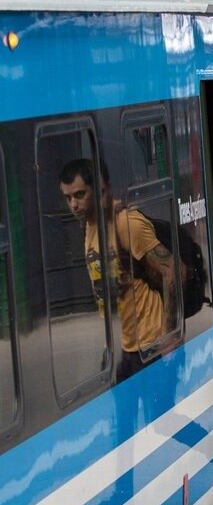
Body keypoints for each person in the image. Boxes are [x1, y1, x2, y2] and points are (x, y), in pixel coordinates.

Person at [59, 158, 177, 382]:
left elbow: (171, 270)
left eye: (79, 195)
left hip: (150, 345)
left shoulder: (125, 223)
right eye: (68, 197)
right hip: (125, 348)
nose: (73, 204)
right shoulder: (89, 228)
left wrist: (168, 335)